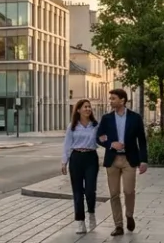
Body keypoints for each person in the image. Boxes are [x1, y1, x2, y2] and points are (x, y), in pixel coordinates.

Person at [97, 88, 148, 237]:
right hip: (112, 160)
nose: (110, 101)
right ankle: (118, 225)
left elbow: (142, 141)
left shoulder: (135, 118)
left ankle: (129, 215)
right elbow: (99, 137)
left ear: (122, 100)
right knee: (114, 194)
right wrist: (111, 144)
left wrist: (143, 160)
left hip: (129, 159)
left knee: (128, 191)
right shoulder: (106, 118)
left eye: (113, 98)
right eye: (110, 98)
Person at [61, 99, 100, 234]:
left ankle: (91, 213)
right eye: (85, 107)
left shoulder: (95, 125)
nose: (88, 109)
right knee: (77, 192)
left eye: (89, 107)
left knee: (90, 190)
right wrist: (64, 161)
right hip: (76, 158)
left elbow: (102, 140)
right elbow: (67, 144)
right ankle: (80, 222)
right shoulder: (72, 126)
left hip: (91, 158)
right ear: (78, 110)